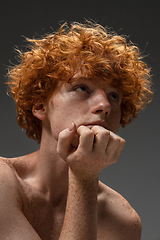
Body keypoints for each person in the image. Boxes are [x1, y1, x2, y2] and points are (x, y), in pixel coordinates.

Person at [0, 21, 153, 240]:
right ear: (40, 106)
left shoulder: (122, 220)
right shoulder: (3, 181)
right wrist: (84, 178)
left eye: (114, 96)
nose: (105, 105)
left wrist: (86, 178)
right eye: (82, 87)